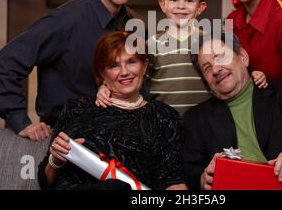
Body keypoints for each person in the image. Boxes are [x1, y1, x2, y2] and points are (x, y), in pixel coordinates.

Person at [0, 0, 151, 141]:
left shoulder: (136, 27)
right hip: (70, 139)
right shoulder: (64, 21)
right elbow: (3, 64)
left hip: (123, 136)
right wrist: (20, 121)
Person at [96, 0, 268, 115]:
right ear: (163, 5)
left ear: (200, 8)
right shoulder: (150, 45)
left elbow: (233, 69)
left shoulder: (209, 42)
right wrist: (107, 88)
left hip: (206, 121)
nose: (181, 6)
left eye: (189, 0)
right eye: (174, 0)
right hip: (163, 121)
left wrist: (254, 74)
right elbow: (135, 80)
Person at [183, 33, 282, 190]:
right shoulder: (195, 120)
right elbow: (190, 171)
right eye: (207, 68)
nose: (216, 69)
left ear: (243, 57)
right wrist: (202, 179)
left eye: (220, 57)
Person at [38, 31, 186, 190]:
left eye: (131, 62)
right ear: (102, 73)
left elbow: (172, 179)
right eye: (114, 65)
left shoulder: (163, 115)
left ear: (144, 66)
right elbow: (46, 181)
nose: (124, 72)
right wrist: (56, 160)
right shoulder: (77, 108)